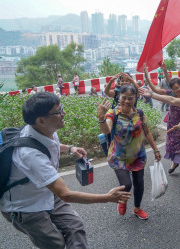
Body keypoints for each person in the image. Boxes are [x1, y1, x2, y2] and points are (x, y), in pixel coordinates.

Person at [0, 92, 131, 249]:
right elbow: (66, 195)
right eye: (58, 111)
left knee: (75, 227)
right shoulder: (30, 156)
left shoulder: (45, 130)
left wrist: (70, 148)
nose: (64, 113)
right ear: (41, 120)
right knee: (55, 243)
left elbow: (50, 145)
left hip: (46, 192)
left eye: (61, 108)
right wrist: (107, 197)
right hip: (26, 208)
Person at [97, 85, 161, 220]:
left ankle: (137, 208)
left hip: (137, 156)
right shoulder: (112, 114)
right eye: (123, 98)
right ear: (119, 98)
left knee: (139, 183)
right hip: (118, 156)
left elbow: (147, 132)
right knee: (127, 184)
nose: (126, 101)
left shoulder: (140, 113)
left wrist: (155, 150)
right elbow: (106, 130)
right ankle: (123, 200)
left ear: (135, 98)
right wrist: (101, 118)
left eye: (130, 98)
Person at [143, 64, 180, 174]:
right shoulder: (171, 93)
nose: (176, 90)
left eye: (178, 88)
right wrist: (147, 76)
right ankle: (175, 162)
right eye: (174, 89)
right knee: (173, 145)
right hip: (172, 123)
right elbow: (155, 90)